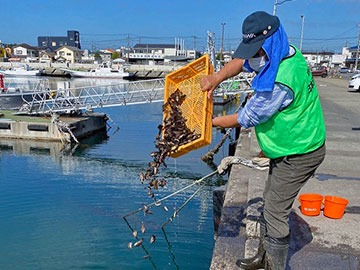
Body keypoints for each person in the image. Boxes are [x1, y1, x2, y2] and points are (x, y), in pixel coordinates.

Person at [201, 11, 326, 270]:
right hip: (288, 147)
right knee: (270, 200)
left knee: (274, 211)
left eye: (257, 50)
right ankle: (263, 256)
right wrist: (216, 77)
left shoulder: (281, 80)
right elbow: (238, 63)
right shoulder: (283, 53)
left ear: (269, 43)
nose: (253, 57)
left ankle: (273, 265)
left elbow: (247, 117)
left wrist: (205, 123)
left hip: (301, 151)